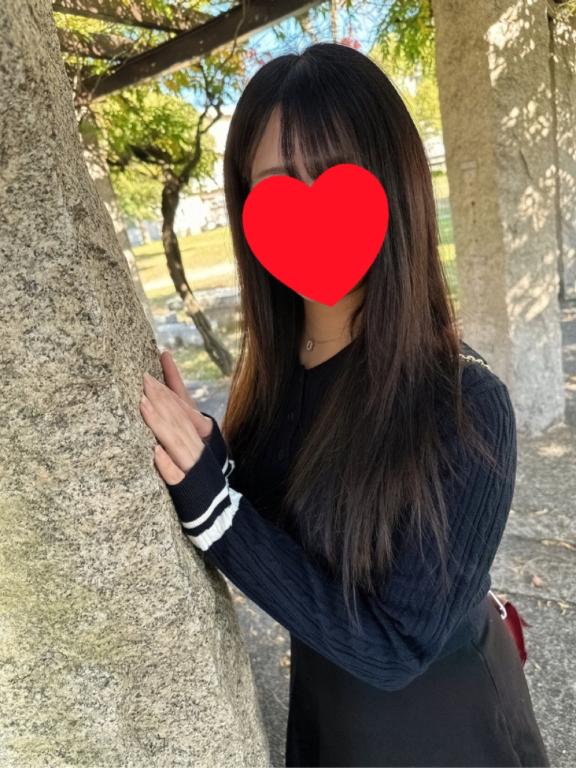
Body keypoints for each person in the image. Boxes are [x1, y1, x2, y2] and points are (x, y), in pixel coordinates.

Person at [139, 42, 550, 767]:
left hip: (449, 733)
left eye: (334, 175)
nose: (308, 207)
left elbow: (396, 647)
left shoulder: (467, 406)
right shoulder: (275, 380)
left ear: (396, 186)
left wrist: (215, 510)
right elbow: (280, 536)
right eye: (276, 185)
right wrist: (206, 457)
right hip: (327, 721)